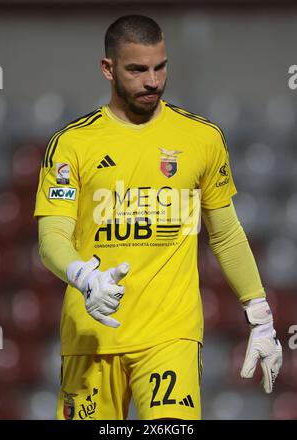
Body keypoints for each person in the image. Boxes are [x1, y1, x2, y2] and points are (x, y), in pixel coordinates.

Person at [34, 14, 282, 420]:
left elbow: (226, 235)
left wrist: (260, 315)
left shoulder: (202, 138)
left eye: (160, 67)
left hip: (171, 334)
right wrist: (84, 276)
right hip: (91, 334)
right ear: (107, 68)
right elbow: (52, 238)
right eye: (137, 70)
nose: (152, 81)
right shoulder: (72, 144)